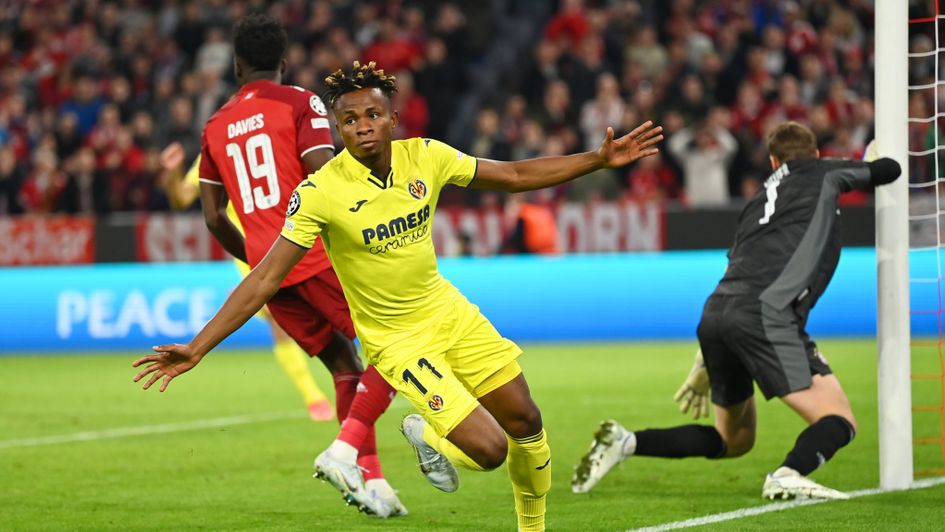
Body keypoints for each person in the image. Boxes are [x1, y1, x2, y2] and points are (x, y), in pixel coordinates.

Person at [132, 60, 663, 531]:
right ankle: (426, 434)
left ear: (392, 118)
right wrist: (198, 346)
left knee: (528, 423)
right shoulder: (320, 192)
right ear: (338, 129)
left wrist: (596, 159)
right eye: (349, 120)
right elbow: (265, 277)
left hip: (449, 313)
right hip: (398, 343)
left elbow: (515, 174)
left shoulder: (426, 157)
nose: (362, 126)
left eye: (372, 115)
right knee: (490, 450)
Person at [134, 16, 403, 518]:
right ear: (283, 61)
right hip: (317, 257)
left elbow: (213, 217)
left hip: (270, 278)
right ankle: (351, 450)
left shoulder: (215, 126)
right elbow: (324, 174)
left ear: (237, 66)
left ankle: (376, 483)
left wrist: (262, 264)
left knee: (345, 365)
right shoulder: (299, 102)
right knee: (397, 347)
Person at [570, 122, 902, 500]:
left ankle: (626, 442)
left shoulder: (758, 202)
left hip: (716, 313)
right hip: (767, 315)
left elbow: (738, 271)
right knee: (839, 418)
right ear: (815, 155)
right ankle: (788, 474)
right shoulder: (822, 172)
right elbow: (890, 170)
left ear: (773, 161)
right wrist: (868, 159)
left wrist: (704, 364)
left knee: (734, 440)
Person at [159, 141, 334, 423]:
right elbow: (181, 198)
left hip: (298, 235)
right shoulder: (213, 151)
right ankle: (313, 395)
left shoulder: (275, 137)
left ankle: (359, 380)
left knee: (334, 313)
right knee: (278, 321)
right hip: (252, 253)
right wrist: (172, 172)